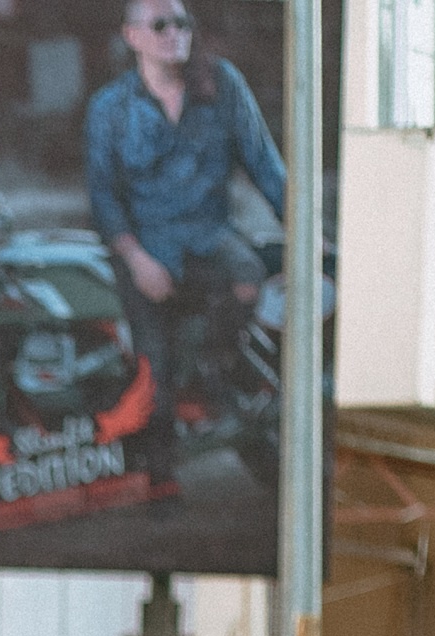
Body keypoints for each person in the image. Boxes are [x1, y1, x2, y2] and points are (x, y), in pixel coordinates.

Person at [83, 0, 286, 492]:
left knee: (247, 276)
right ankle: (161, 477)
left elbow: (264, 162)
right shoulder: (110, 109)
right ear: (133, 36)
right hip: (147, 247)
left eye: (182, 23)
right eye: (160, 25)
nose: (174, 33)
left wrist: (301, 225)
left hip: (209, 236)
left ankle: (217, 370)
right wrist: (136, 259)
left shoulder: (222, 85)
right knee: (153, 364)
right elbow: (104, 199)